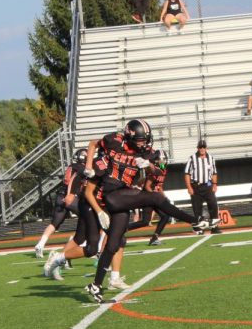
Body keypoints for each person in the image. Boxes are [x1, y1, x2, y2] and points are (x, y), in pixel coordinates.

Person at [80, 120, 206, 302]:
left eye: (144, 139)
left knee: (114, 244)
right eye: (139, 140)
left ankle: (96, 285)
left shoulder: (144, 152)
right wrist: (89, 167)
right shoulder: (111, 145)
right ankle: (193, 220)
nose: (143, 143)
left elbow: (156, 173)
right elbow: (93, 145)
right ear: (129, 136)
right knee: (155, 197)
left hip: (122, 196)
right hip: (111, 194)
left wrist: (147, 165)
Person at [33, 148, 87, 259]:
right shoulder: (80, 168)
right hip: (70, 197)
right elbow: (75, 180)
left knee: (54, 223)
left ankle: (40, 244)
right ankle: (79, 241)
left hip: (60, 196)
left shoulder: (72, 166)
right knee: (87, 217)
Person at [184, 139, 220, 233]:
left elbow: (214, 173)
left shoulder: (211, 158)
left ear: (206, 148)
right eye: (200, 147)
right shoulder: (192, 158)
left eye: (204, 147)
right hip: (196, 186)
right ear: (198, 148)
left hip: (208, 185)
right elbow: (187, 173)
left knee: (213, 204)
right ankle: (199, 228)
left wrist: (215, 184)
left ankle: (214, 227)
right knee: (197, 208)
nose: (202, 149)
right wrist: (189, 187)